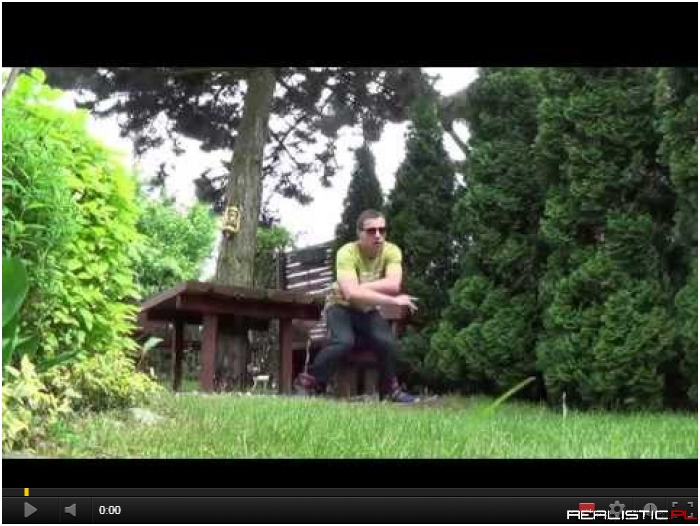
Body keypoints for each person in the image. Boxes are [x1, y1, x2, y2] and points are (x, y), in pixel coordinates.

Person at [296, 209, 419, 403]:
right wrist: (392, 301)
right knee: (343, 342)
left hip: (367, 309)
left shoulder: (392, 251)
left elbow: (393, 284)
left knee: (387, 342)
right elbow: (350, 295)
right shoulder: (346, 252)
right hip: (340, 306)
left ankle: (390, 391)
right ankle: (310, 383)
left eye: (382, 230)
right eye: (371, 231)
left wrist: (355, 287)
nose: (378, 235)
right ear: (359, 233)